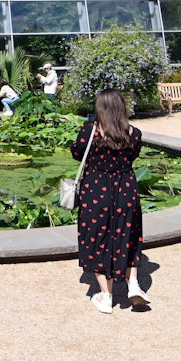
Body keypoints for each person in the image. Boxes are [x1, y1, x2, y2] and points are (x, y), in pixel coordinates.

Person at [71, 89, 149, 313]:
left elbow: (77, 152)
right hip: (125, 188)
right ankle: (133, 283)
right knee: (128, 234)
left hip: (96, 190)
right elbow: (133, 155)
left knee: (96, 237)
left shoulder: (90, 131)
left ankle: (106, 295)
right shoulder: (134, 133)